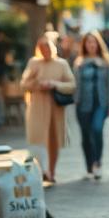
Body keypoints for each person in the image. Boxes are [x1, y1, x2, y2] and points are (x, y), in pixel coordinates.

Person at [21, 32, 77, 183]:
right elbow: (24, 84)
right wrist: (37, 83)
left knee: (54, 140)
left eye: (48, 48)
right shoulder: (34, 63)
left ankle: (51, 171)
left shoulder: (61, 64)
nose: (46, 51)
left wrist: (54, 84)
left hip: (55, 107)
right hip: (37, 106)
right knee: (37, 138)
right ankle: (41, 170)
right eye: (42, 48)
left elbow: (71, 85)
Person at [74, 31, 109, 181]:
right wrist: (74, 100)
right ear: (84, 45)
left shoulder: (106, 62)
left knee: (97, 129)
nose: (91, 45)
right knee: (86, 135)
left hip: (101, 103)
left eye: (94, 42)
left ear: (98, 44)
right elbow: (75, 84)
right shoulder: (79, 63)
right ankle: (89, 166)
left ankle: (97, 162)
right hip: (83, 105)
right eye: (88, 42)